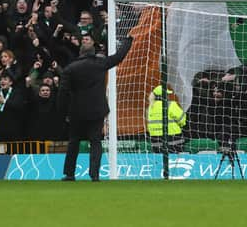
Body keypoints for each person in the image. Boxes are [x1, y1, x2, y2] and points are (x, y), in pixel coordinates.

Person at [59, 33, 133, 181]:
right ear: (93, 53)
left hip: (76, 111)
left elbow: (63, 93)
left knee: (74, 141)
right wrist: (128, 40)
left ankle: (69, 173)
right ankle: (95, 174)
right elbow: (119, 57)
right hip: (96, 110)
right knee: (95, 141)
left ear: (80, 52)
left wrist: (63, 112)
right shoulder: (100, 64)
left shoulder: (70, 69)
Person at [147, 84, 187, 153]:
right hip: (174, 140)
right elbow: (182, 120)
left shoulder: (150, 108)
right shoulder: (171, 105)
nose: (168, 96)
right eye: (167, 94)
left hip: (156, 142)